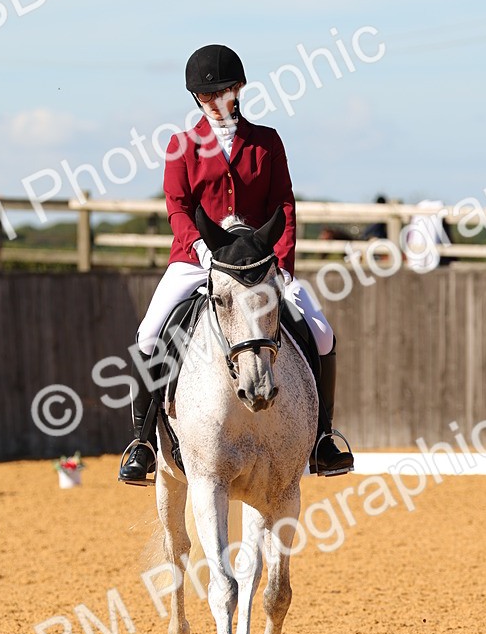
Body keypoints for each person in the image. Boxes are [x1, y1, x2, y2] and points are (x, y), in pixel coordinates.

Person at [118, 43, 354, 485]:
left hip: (261, 263)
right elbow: (178, 207)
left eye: (225, 91)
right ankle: (144, 441)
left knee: (320, 332)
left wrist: (281, 262)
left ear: (240, 89)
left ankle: (322, 438)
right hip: (196, 259)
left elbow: (283, 203)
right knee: (150, 332)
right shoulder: (181, 145)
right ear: (196, 99)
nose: (217, 101)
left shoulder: (266, 142)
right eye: (208, 96)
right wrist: (203, 248)